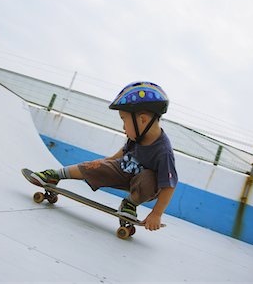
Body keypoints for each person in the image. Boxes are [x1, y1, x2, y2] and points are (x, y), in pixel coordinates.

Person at [25, 81, 178, 231]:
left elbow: (169, 186)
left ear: (142, 120)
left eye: (124, 120)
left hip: (145, 185)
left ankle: (130, 203)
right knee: (94, 166)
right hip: (123, 170)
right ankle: (55, 175)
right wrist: (103, 162)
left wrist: (156, 214)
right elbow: (122, 153)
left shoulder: (164, 151)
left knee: (148, 179)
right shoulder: (137, 137)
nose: (123, 127)